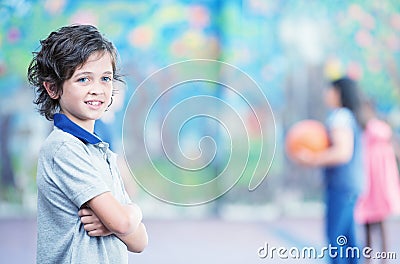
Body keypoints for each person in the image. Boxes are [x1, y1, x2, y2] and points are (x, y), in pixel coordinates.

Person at [27, 24, 148, 264]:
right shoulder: (63, 148)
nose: (97, 90)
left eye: (105, 79)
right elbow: (124, 223)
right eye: (83, 79)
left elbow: (139, 242)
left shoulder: (101, 152)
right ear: (52, 88)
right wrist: (131, 213)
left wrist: (118, 221)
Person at [293, 77, 364, 264]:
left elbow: (342, 152)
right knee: (347, 238)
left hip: (342, 185)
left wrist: (312, 159)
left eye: (329, 90)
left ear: (338, 93)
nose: (326, 94)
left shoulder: (339, 117)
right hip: (350, 184)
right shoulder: (348, 116)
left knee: (335, 238)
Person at [355, 100, 400, 259]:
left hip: (378, 182)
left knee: (379, 222)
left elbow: (392, 146)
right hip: (368, 181)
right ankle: (369, 257)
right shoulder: (364, 130)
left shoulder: (376, 128)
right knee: (367, 222)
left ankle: (383, 257)